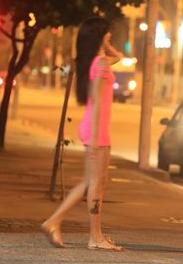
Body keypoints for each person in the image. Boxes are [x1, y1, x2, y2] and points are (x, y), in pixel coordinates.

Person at [41, 17, 123, 250]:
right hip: (97, 130)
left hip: (97, 128)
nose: (110, 37)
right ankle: (95, 237)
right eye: (107, 33)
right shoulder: (99, 64)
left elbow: (119, 57)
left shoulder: (96, 61)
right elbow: (97, 101)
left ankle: (54, 222)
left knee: (93, 182)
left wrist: (104, 45)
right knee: (96, 184)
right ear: (99, 35)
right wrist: (97, 139)